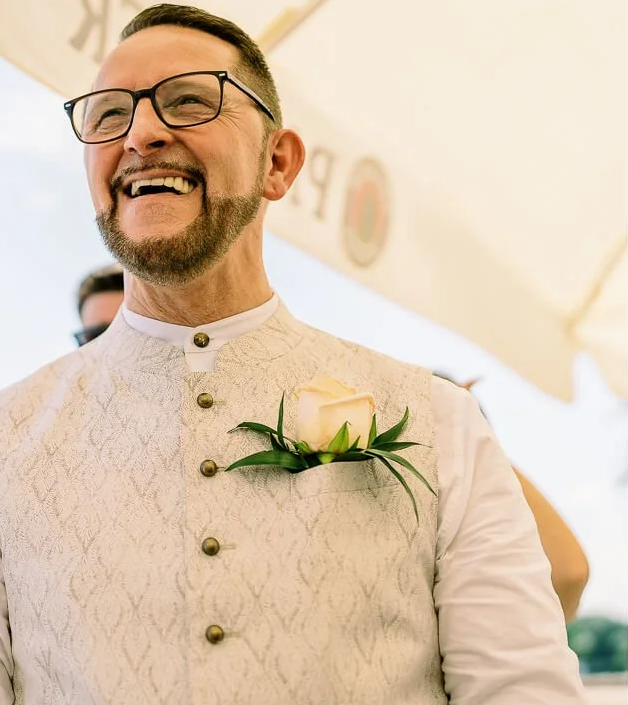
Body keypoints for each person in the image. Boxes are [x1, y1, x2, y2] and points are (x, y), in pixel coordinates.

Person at [0, 3, 587, 703]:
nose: (140, 132)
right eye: (108, 115)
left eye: (189, 101)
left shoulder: (441, 425)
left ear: (278, 162)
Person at [76, 266, 592, 623]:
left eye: (129, 328)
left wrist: (460, 434)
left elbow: (565, 573)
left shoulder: (283, 419)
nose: (111, 348)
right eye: (93, 335)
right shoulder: (59, 476)